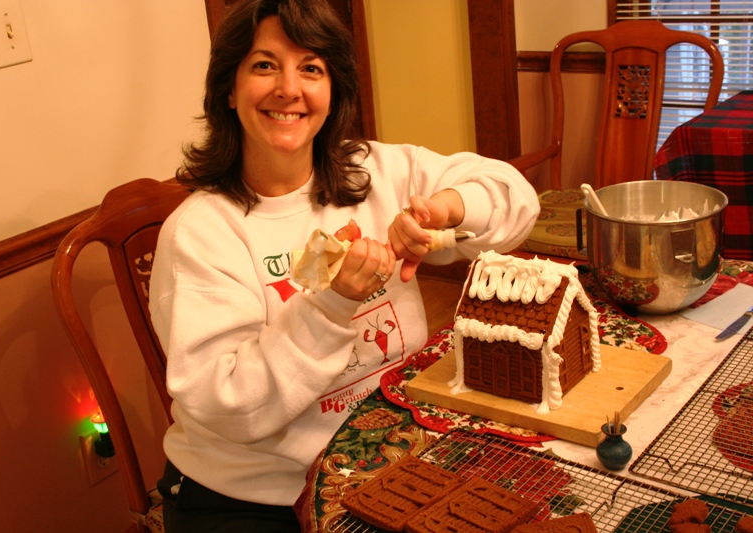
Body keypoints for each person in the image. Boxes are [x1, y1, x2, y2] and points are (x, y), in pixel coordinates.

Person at [148, 0, 540, 531]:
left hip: (396, 454)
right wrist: (332, 304)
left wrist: (444, 210)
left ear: (333, 93)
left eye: (311, 68)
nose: (289, 88)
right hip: (252, 494)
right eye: (264, 65)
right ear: (228, 88)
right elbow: (231, 407)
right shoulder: (201, 233)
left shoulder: (376, 171)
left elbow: (515, 198)